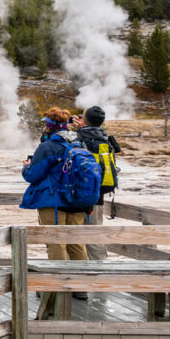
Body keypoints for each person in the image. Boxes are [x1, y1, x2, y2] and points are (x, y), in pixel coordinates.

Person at [21, 107, 91, 299]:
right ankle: (80, 287)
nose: (44, 126)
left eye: (46, 124)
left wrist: (26, 167)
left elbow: (33, 175)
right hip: (77, 200)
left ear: (50, 126)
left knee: (55, 243)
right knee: (76, 243)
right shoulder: (79, 142)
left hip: (53, 201)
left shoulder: (48, 147)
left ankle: (55, 288)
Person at [75, 106, 121, 261]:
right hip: (99, 195)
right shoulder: (105, 138)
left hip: (77, 195)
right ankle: (101, 268)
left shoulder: (79, 137)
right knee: (95, 234)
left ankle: (75, 273)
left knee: (74, 237)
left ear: (84, 120)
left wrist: (77, 130)